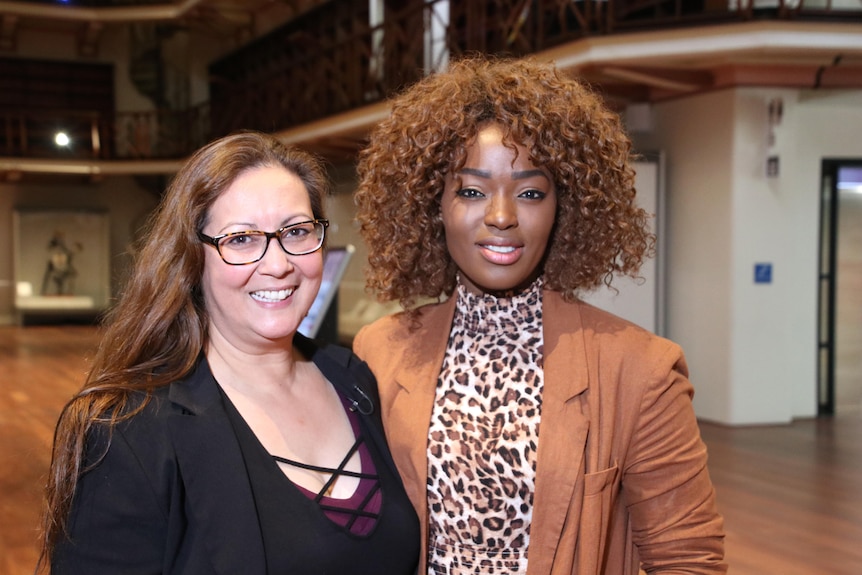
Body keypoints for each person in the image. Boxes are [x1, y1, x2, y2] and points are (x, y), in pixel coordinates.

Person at [352, 55, 726, 574]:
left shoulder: (641, 371)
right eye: (472, 191)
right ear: (431, 203)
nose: (502, 216)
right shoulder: (380, 351)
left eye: (530, 192)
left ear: (563, 208)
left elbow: (689, 559)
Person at [38, 131, 420, 575]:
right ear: (191, 257)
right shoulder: (131, 431)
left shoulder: (354, 378)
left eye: (296, 232)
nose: (278, 264)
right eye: (240, 239)